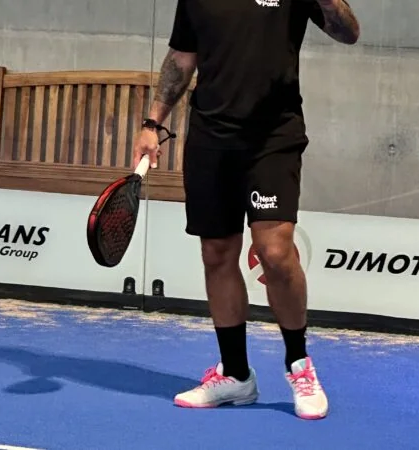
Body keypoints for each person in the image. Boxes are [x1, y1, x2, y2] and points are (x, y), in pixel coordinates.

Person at [133, 0, 360, 420]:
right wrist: (152, 123)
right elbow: (182, 57)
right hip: (211, 136)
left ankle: (299, 365)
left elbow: (348, 32)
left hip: (273, 138)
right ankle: (236, 375)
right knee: (216, 252)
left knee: (275, 252)